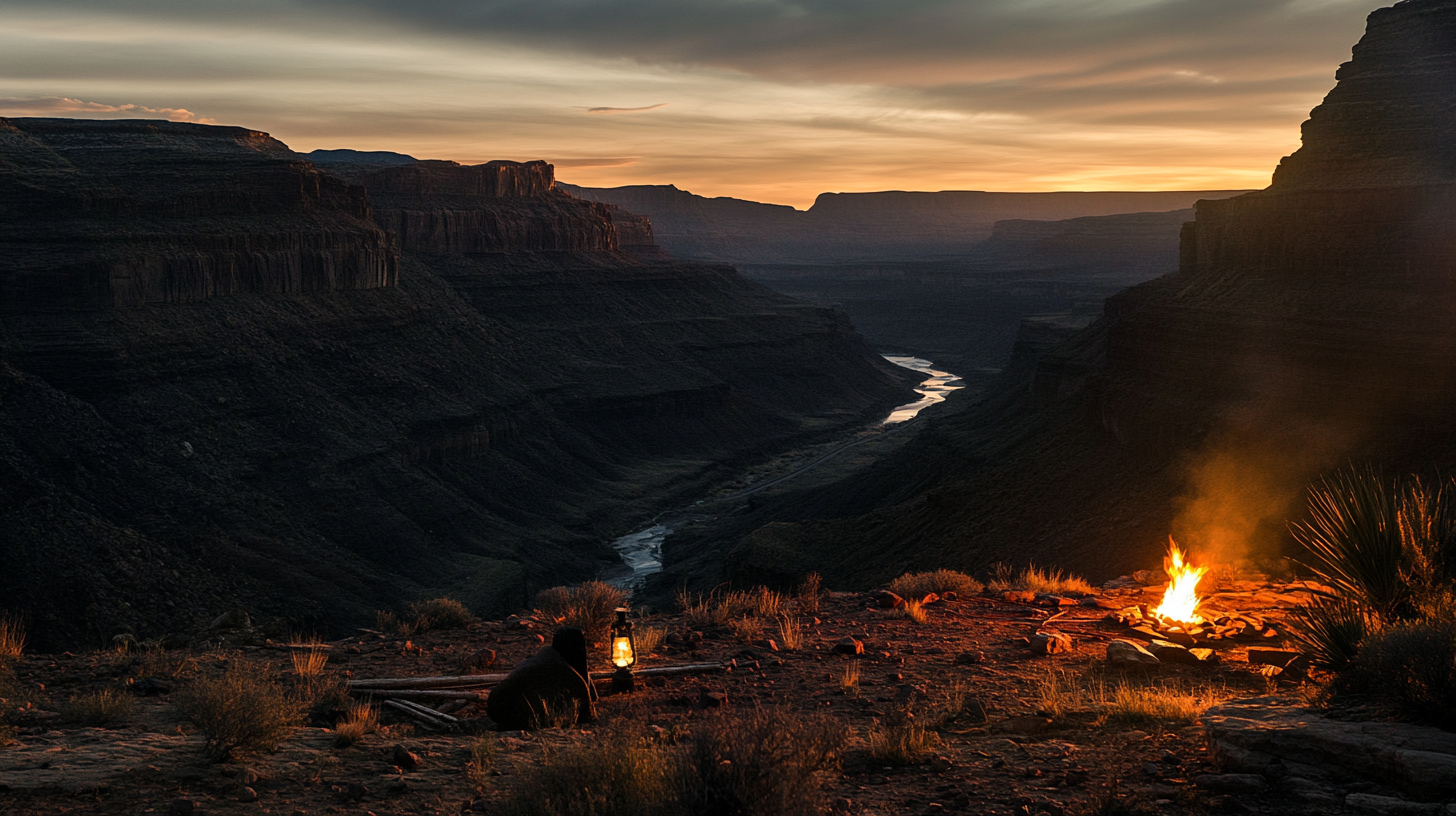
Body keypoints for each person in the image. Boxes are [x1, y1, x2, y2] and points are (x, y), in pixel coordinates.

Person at [485, 627, 597, 730]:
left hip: (500, 710)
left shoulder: (548, 657)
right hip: (510, 714)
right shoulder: (559, 668)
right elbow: (586, 710)